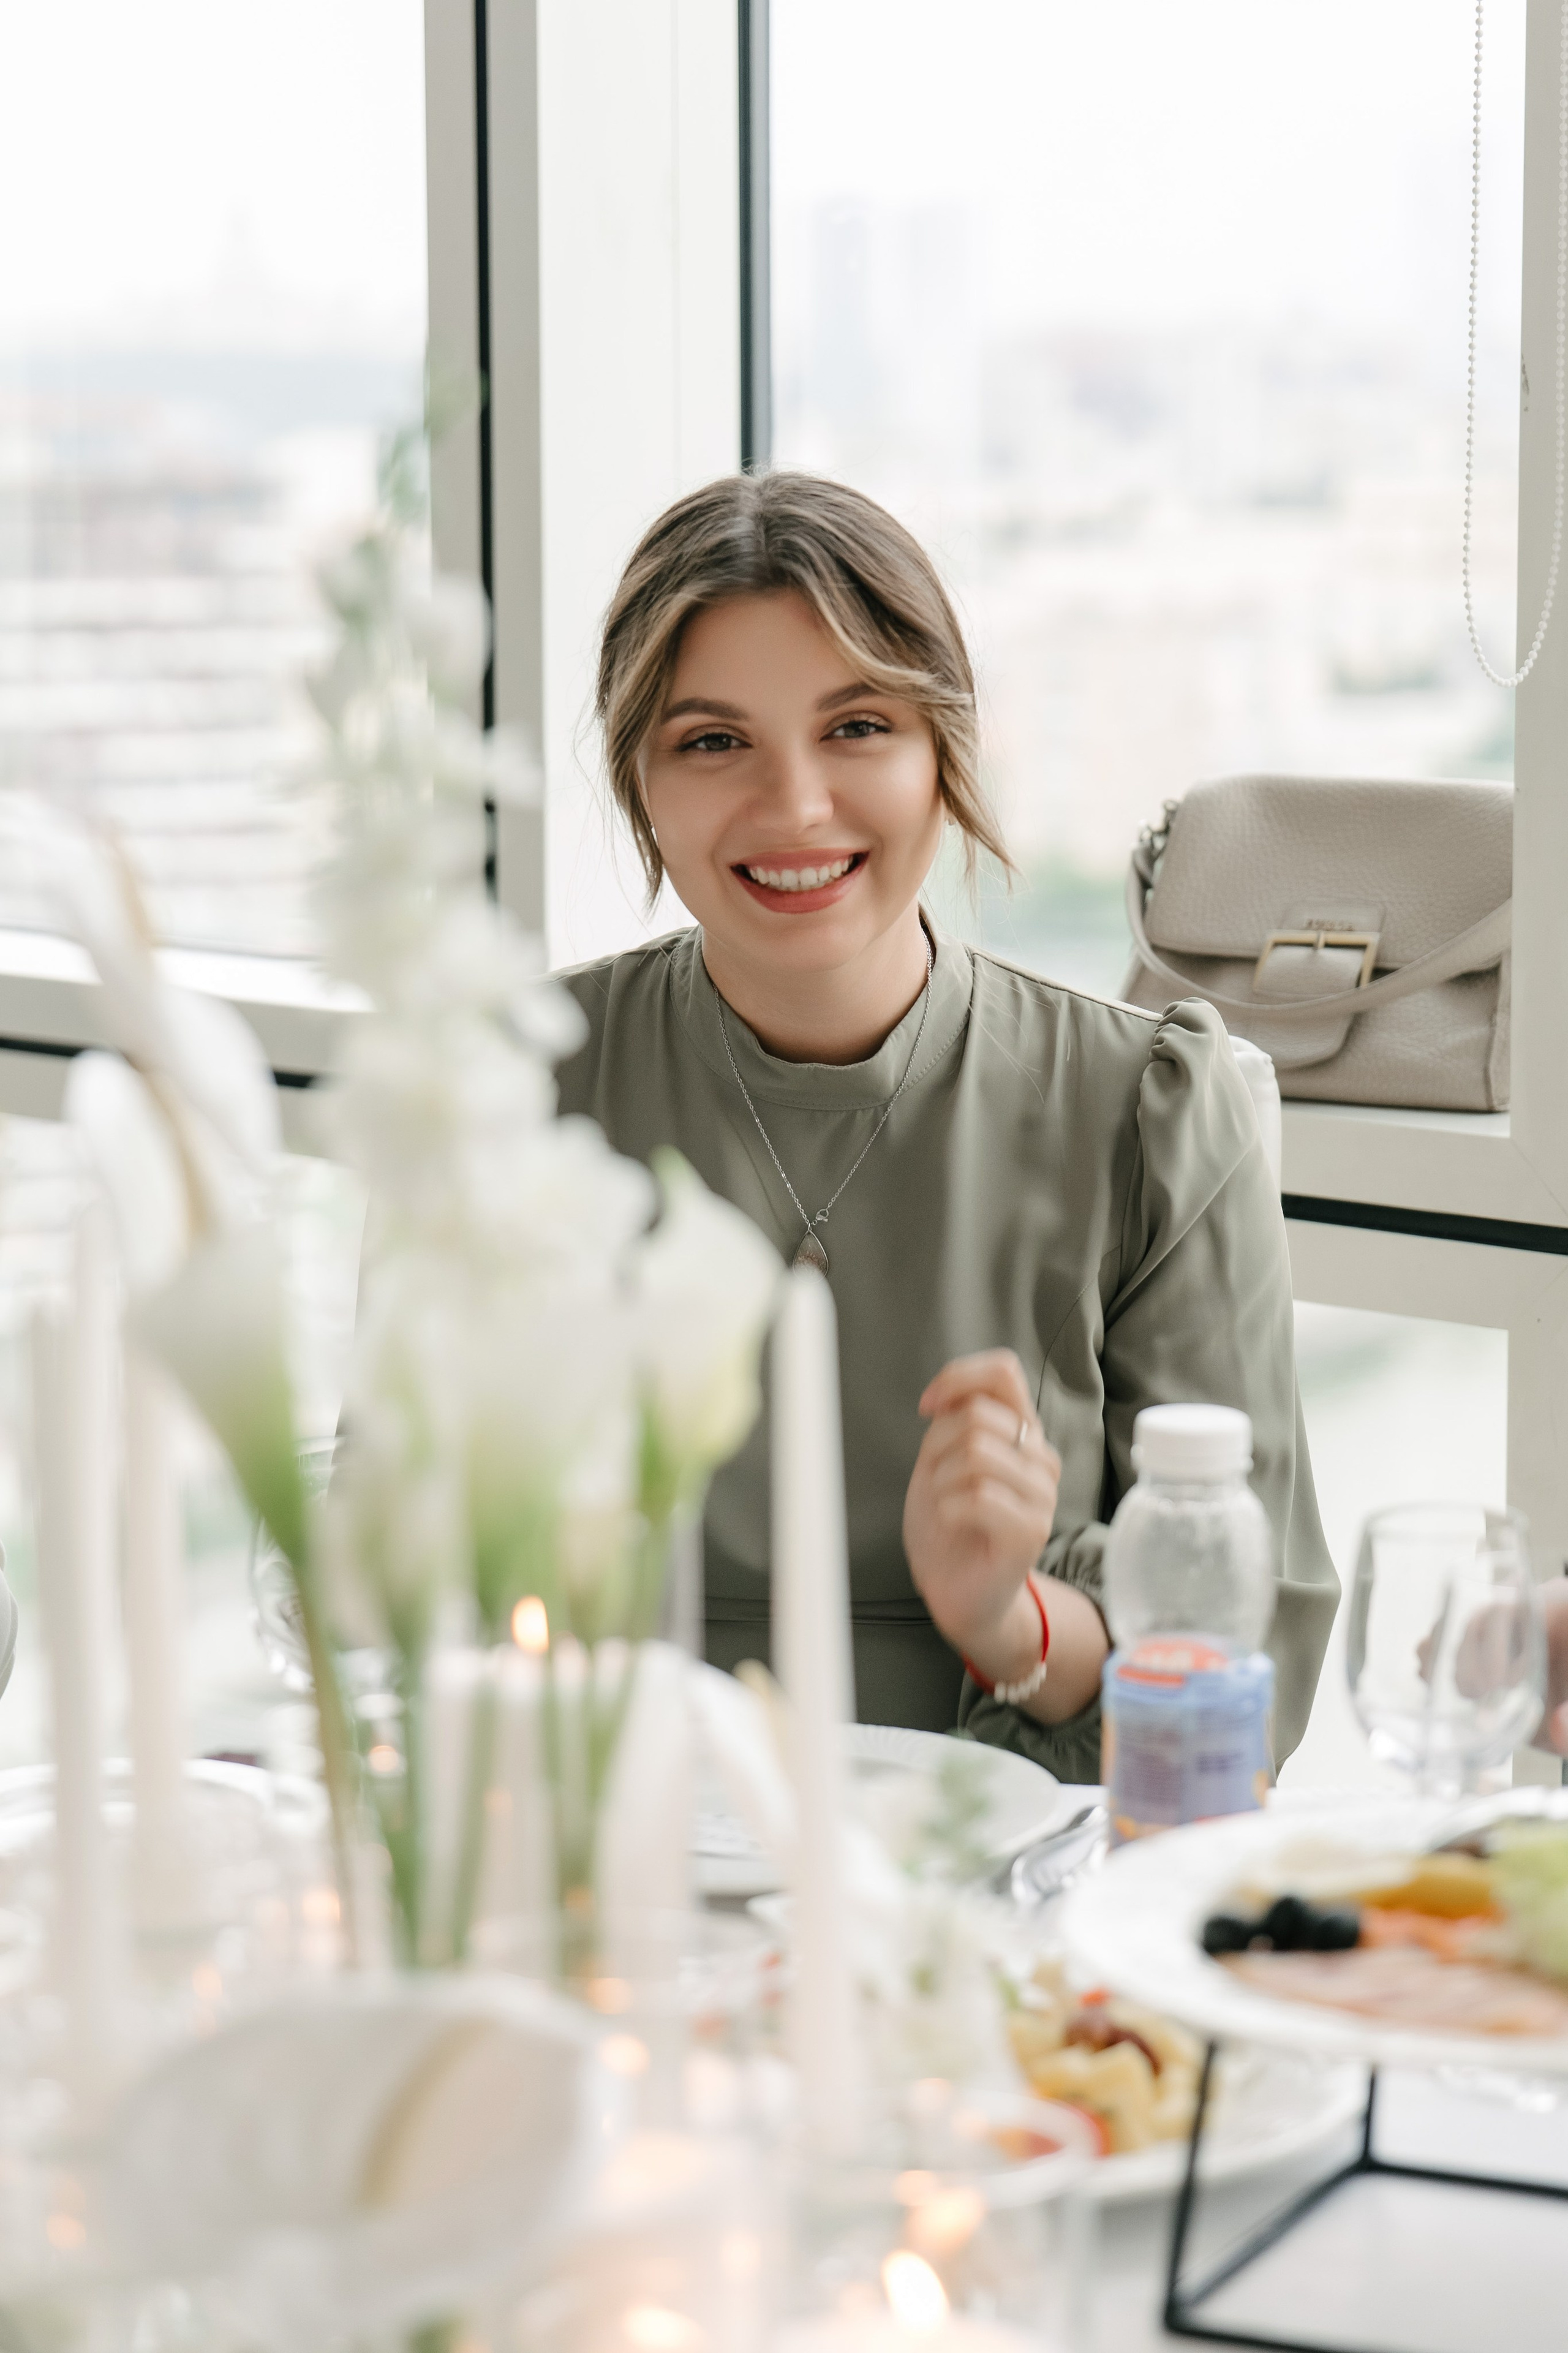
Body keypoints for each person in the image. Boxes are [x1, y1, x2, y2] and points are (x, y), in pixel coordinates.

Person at [554, 470, 1338, 1781]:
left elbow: (1248, 1672)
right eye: (711, 740)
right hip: (600, 1850)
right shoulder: (521, 1095)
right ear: (640, 779)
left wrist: (1008, 1619)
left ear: (943, 753)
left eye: (856, 725)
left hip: (1003, 1890)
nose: (795, 805)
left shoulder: (1142, 1113)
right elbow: (384, 1566)